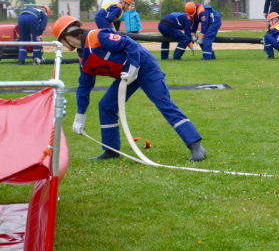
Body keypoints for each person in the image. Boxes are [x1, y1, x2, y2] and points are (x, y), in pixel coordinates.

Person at [53, 16, 207, 162]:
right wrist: (80, 115)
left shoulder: (96, 37)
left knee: (163, 102)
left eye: (60, 41)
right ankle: (111, 150)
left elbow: (130, 44)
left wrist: (133, 66)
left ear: (66, 37)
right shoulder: (83, 58)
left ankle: (196, 146)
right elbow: (84, 87)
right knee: (106, 105)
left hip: (145, 67)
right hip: (126, 75)